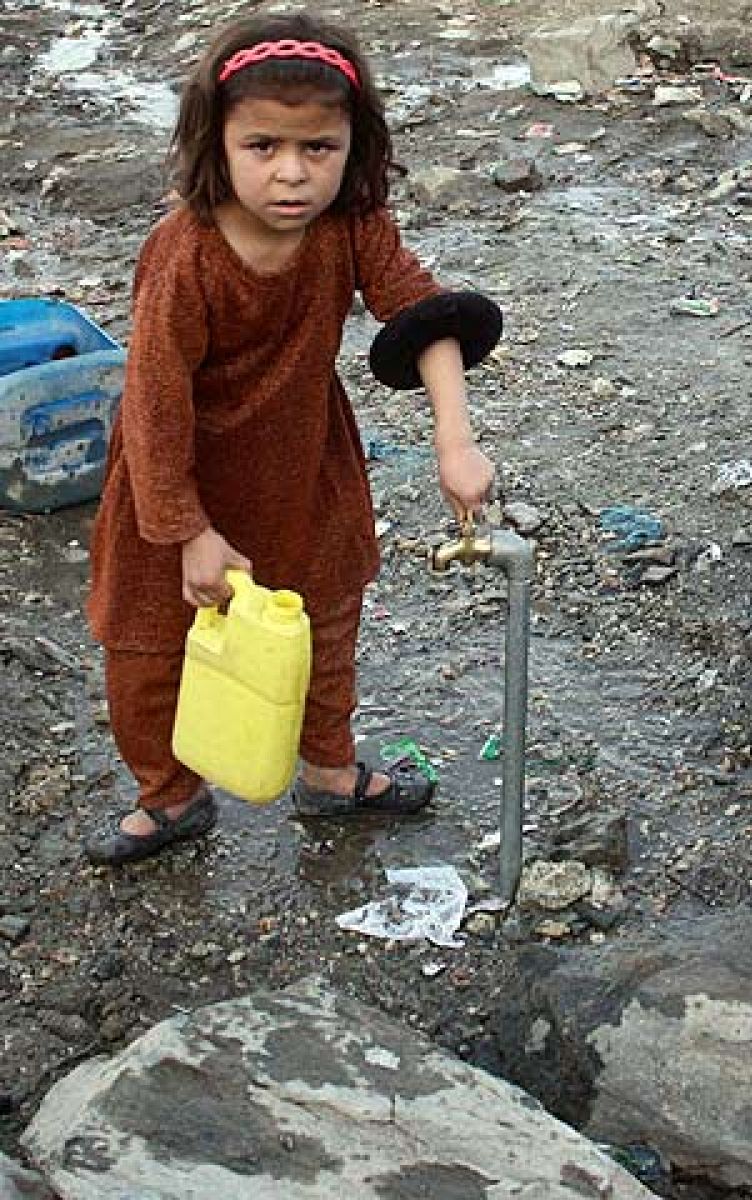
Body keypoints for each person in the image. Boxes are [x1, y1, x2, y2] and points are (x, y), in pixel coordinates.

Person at [83, 12, 502, 865]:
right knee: (149, 648)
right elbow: (154, 404)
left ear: (354, 145)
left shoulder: (351, 225)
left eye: (319, 148)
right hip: (177, 481)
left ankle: (328, 772)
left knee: (323, 624)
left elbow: (424, 314)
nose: (291, 174)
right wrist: (188, 533)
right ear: (216, 144)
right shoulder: (186, 253)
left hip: (304, 465)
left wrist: (453, 441)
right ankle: (169, 797)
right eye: (263, 146)